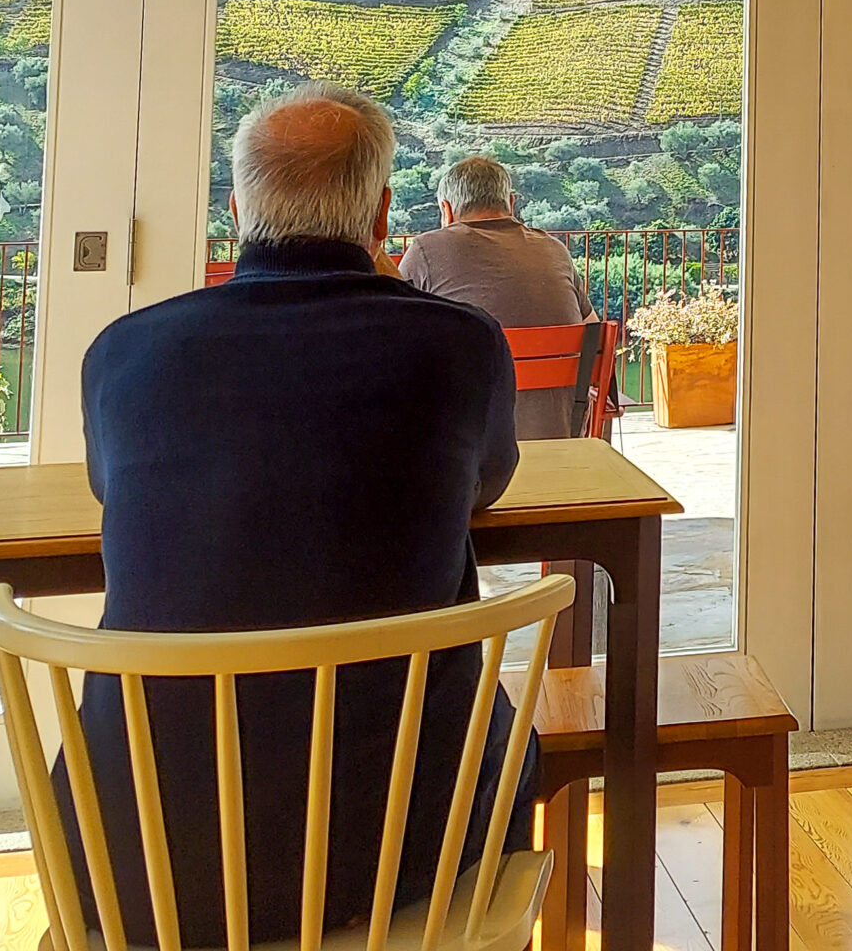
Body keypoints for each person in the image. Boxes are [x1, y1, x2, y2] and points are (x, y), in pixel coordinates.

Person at [72, 85, 527, 943]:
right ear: (384, 214)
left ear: (236, 210)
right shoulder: (461, 345)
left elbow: (113, 490)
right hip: (401, 844)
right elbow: (486, 486)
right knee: (495, 729)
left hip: (144, 848)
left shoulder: (123, 352)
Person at [401, 154, 592, 439]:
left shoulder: (427, 249)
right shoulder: (555, 249)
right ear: (511, 204)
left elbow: (391, 334)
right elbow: (593, 332)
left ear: (446, 210)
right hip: (561, 437)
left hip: (472, 451)